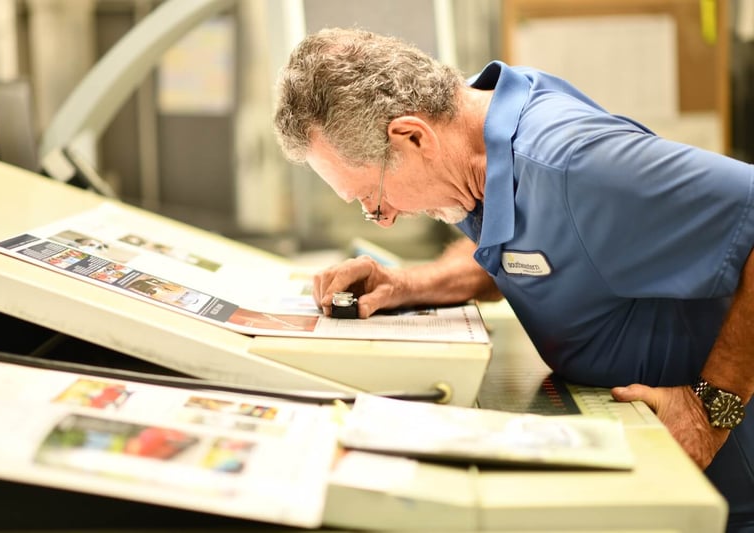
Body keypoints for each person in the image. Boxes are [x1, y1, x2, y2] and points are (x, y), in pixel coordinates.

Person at [273, 28, 754, 532]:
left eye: (373, 198)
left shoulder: (573, 164)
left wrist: (709, 410)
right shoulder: (475, 146)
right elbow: (529, 247)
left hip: (727, 476)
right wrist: (409, 284)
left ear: (413, 136)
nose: (385, 217)